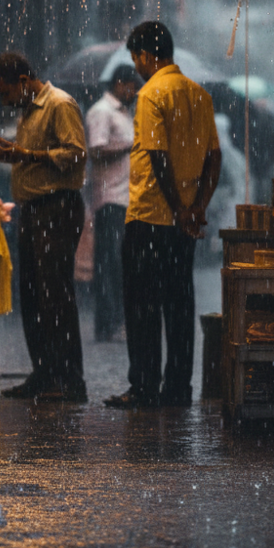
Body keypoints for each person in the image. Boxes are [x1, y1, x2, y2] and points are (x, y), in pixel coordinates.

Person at [106, 21, 221, 409]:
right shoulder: (199, 94)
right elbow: (214, 158)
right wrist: (196, 209)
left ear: (145, 54)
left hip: (150, 216)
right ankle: (177, 387)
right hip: (183, 223)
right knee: (179, 303)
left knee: (142, 305)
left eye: (136, 58)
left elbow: (157, 155)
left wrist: (177, 209)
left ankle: (144, 386)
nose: (136, 66)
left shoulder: (151, 94)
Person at [0, 52, 88, 402]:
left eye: (5, 92)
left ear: (23, 82)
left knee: (55, 296)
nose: (4, 100)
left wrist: (27, 156)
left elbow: (75, 153)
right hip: (33, 209)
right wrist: (15, 153)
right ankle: (44, 374)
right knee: (32, 295)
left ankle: (69, 381)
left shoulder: (59, 104)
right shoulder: (29, 111)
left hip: (56, 208)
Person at [86, 64, 140, 341]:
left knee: (118, 264)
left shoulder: (123, 112)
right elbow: (96, 150)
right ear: (120, 83)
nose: (134, 93)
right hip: (109, 199)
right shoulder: (101, 112)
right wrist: (130, 146)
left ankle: (115, 322)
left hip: (124, 198)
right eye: (132, 87)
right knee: (109, 264)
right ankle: (108, 324)